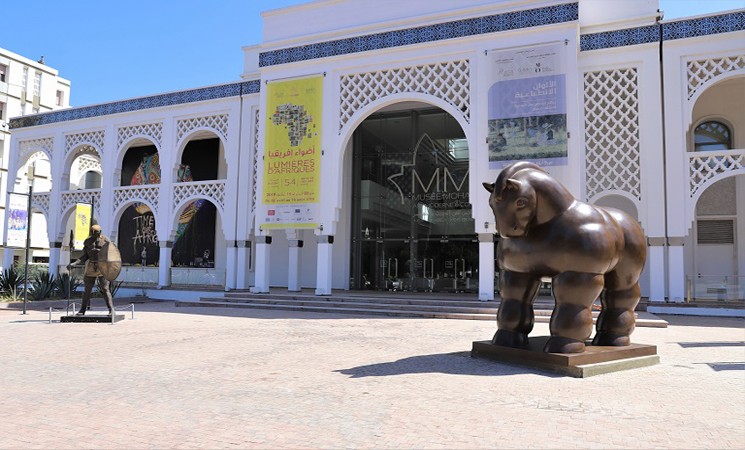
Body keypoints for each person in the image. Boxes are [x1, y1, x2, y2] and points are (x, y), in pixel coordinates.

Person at [68, 224, 114, 315]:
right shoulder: (88, 241)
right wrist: (74, 263)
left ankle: (111, 310)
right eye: (92, 233)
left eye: (95, 233)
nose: (93, 235)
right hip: (91, 265)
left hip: (103, 266)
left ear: (100, 232)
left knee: (105, 288)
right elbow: (84, 256)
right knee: (87, 290)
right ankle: (82, 310)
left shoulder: (106, 240)